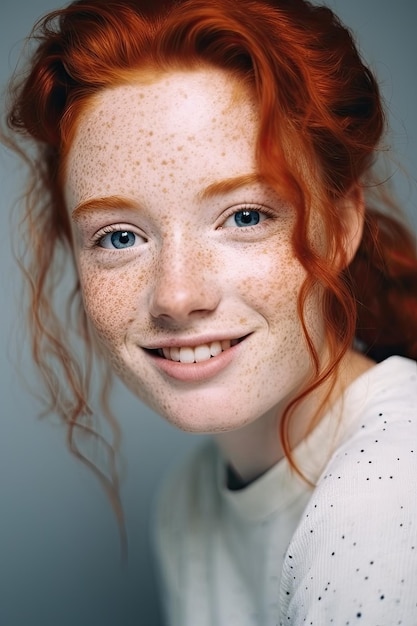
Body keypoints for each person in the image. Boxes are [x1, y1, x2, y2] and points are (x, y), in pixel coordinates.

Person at [3, 0, 417, 623]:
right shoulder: (188, 502)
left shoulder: (390, 489)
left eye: (245, 217)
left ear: (340, 227)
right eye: (119, 236)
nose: (176, 296)